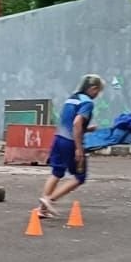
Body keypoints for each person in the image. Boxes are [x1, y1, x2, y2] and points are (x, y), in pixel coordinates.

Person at [38, 74, 104, 219]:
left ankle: (42, 209)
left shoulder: (72, 98)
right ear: (93, 88)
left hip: (58, 139)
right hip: (70, 142)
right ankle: (49, 199)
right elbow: (76, 123)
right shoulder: (87, 103)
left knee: (57, 172)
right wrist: (79, 148)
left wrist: (87, 129)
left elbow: (69, 123)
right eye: (98, 91)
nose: (97, 95)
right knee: (79, 177)